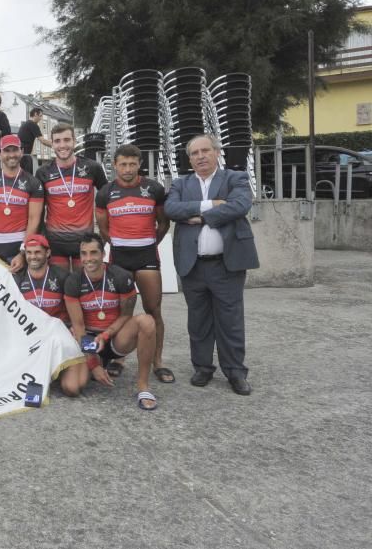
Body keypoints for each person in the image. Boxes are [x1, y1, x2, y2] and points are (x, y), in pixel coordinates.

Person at [164, 134, 259, 395]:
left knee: (230, 320)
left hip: (226, 265)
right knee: (198, 320)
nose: (200, 156)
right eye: (195, 153)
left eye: (205, 150)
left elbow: (240, 205)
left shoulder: (235, 179)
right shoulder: (181, 184)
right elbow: (171, 209)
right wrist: (212, 204)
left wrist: (201, 217)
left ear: (217, 153)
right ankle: (203, 368)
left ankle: (235, 372)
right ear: (190, 158)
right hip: (193, 265)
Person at [95, 144, 172, 382]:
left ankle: (157, 362)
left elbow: (163, 224)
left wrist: (148, 243)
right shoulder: (106, 192)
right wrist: (121, 244)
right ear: (115, 165)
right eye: (122, 164)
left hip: (147, 257)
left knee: (153, 310)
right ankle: (119, 358)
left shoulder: (154, 188)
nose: (127, 169)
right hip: (120, 258)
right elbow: (103, 228)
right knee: (121, 312)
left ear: (139, 164)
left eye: (132, 164)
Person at [63, 232, 159, 410]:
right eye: (84, 253)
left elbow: (126, 315)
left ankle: (143, 387)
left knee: (147, 321)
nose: (88, 258)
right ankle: (98, 361)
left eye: (93, 253)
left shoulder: (121, 277)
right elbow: (78, 326)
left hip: (114, 338)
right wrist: (92, 365)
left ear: (103, 254)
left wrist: (106, 335)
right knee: (72, 388)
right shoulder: (74, 280)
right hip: (89, 340)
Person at [13, 234, 82, 395]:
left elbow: (75, 311)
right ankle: (42, 374)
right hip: (31, 337)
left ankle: (66, 367)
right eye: (29, 253)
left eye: (37, 252)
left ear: (48, 253)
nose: (33, 257)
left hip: (58, 336)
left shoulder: (63, 276)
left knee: (72, 389)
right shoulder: (17, 279)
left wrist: (74, 330)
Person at [34, 123, 108, 272]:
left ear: (74, 141)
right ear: (52, 144)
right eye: (57, 141)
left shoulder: (92, 168)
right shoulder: (43, 172)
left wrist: (105, 232)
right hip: (55, 242)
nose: (62, 145)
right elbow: (38, 210)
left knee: (84, 288)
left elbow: (108, 199)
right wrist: (39, 237)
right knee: (59, 290)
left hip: (85, 242)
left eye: (67, 140)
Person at [0, 134, 44, 270]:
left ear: (22, 152)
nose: (11, 154)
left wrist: (23, 252)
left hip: (18, 247)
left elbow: (34, 219)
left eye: (15, 150)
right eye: (6, 151)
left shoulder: (33, 182)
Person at [17, 107, 53, 175]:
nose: (41, 118)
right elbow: (42, 140)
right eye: (40, 116)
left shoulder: (25, 124)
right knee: (28, 176)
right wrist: (55, 145)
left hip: (20, 155)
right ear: (35, 114)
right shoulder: (33, 125)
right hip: (25, 156)